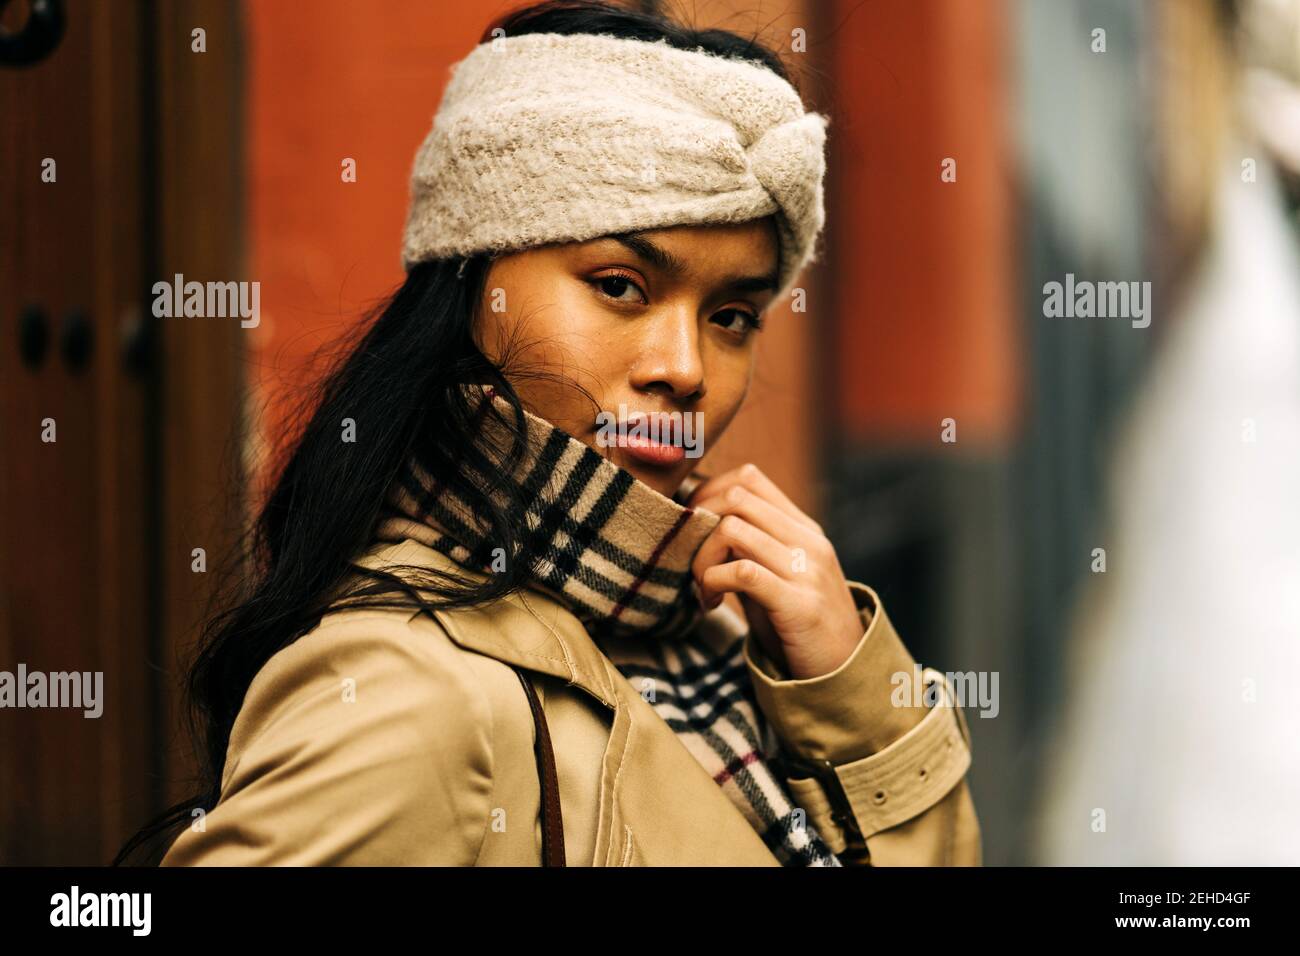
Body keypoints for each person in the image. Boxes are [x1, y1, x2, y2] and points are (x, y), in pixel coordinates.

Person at [116, 0, 980, 867]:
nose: (685, 369)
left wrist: (855, 702)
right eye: (619, 286)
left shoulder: (709, 626)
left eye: (731, 316)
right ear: (473, 289)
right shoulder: (407, 691)